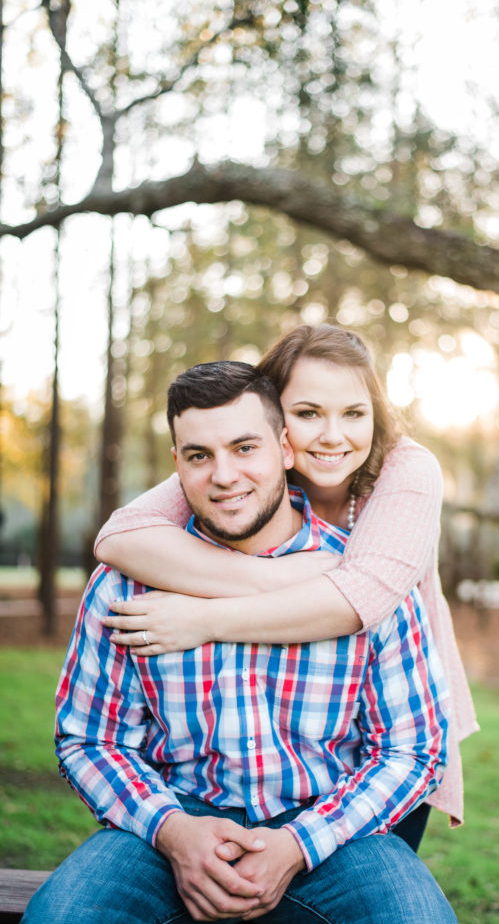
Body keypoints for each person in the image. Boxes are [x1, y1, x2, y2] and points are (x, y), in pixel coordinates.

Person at [14, 361, 468, 924]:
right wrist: (173, 829)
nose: (223, 476)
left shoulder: (364, 579)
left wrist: (297, 843)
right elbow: (89, 738)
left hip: (330, 834)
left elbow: (411, 748)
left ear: (286, 449)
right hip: (174, 818)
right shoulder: (128, 581)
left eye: (245, 448)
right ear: (177, 464)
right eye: (199, 455)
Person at [96, 324, 479, 839]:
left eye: (353, 413)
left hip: (392, 722)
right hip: (277, 734)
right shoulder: (239, 461)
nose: (332, 436)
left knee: (371, 885)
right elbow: (119, 537)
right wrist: (269, 574)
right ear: (276, 421)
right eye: (307, 413)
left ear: (375, 415)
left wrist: (203, 619)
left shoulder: (406, 470)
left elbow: (357, 601)